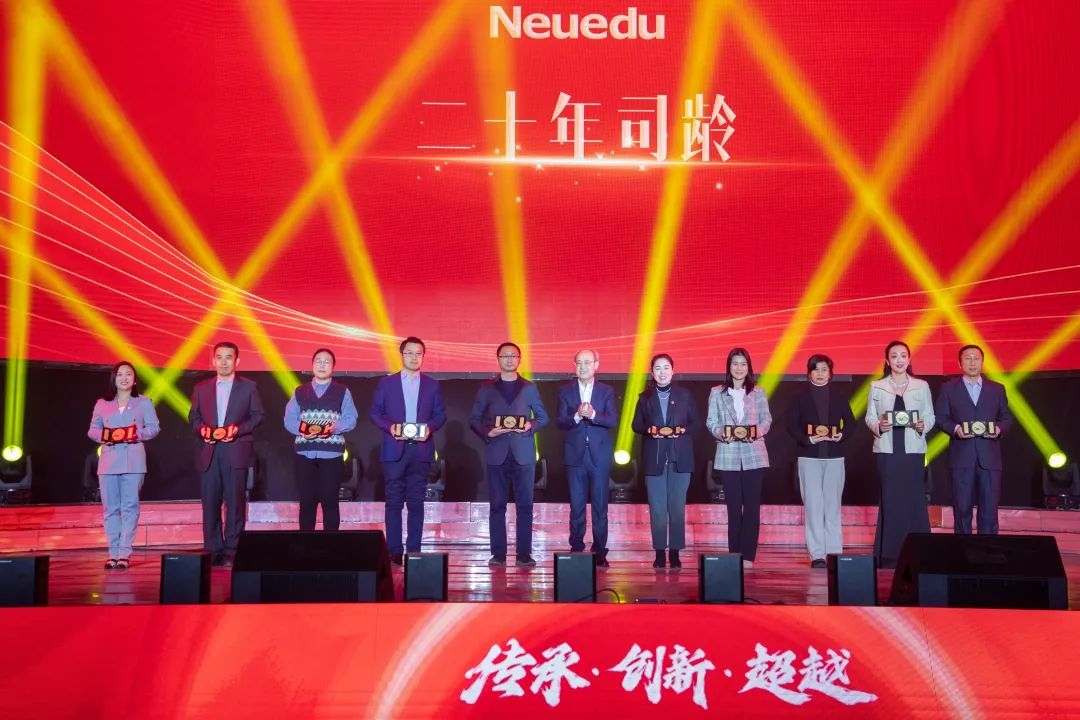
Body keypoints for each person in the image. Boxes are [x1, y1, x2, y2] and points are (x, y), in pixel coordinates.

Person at [469, 342, 549, 567]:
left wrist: (530, 426)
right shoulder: (487, 388)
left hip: (523, 454)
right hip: (497, 452)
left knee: (525, 506)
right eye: (505, 356)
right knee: (497, 506)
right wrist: (489, 432)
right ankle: (498, 554)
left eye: (513, 356)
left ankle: (524, 554)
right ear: (498, 359)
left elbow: (543, 417)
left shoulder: (529, 388)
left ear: (519, 359)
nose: (509, 359)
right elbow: (474, 419)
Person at [370, 337, 447, 564]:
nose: (414, 357)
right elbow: (375, 413)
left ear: (423, 356)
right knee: (393, 502)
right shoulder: (387, 383)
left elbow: (440, 415)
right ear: (402, 355)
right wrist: (390, 427)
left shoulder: (432, 385)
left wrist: (429, 428)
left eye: (418, 353)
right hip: (394, 449)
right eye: (410, 353)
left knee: (416, 503)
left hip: (421, 450)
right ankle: (394, 551)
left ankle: (414, 551)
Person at [188, 341, 265, 567]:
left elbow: (257, 415)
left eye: (228, 357)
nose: (223, 362)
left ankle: (233, 551)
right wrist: (203, 430)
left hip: (236, 449)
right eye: (219, 357)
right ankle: (213, 551)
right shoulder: (201, 388)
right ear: (213, 361)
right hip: (210, 451)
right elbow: (194, 417)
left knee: (235, 504)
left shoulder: (249, 387)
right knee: (210, 504)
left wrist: (236, 430)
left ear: (237, 361)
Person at [864, 340, 935, 569]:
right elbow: (870, 416)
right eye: (894, 356)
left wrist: (923, 425)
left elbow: (930, 415)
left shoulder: (921, 385)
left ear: (909, 359)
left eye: (903, 355)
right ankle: (889, 555)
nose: (899, 360)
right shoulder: (877, 386)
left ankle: (919, 553)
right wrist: (878, 426)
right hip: (887, 450)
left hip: (913, 451)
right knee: (891, 500)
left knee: (914, 500)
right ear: (887, 361)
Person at [784, 354, 856, 568]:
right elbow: (791, 424)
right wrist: (807, 439)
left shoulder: (839, 397)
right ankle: (817, 555)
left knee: (832, 507)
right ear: (809, 373)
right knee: (813, 506)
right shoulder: (799, 397)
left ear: (831, 374)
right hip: (809, 457)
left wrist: (841, 435)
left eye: (824, 369)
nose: (820, 373)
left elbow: (851, 423)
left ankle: (834, 552)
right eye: (816, 369)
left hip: (835, 457)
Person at [88, 361, 161, 569]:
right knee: (110, 509)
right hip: (108, 462)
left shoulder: (144, 402)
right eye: (120, 374)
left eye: (129, 374)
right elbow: (92, 430)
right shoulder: (102, 403)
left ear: (134, 379)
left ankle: (124, 554)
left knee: (130, 507)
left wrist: (136, 434)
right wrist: (107, 436)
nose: (124, 378)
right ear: (114, 378)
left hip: (133, 462)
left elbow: (154, 428)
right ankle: (112, 553)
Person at [935, 344, 1014, 535]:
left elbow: (1007, 418)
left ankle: (987, 549)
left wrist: (998, 429)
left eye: (976, 358)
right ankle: (962, 549)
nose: (972, 362)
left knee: (989, 510)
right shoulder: (948, 388)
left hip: (990, 458)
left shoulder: (997, 389)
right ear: (960, 363)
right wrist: (956, 429)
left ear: (982, 362)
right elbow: (941, 418)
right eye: (968, 358)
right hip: (962, 457)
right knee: (962, 508)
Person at [631, 353, 700, 569]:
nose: (662, 372)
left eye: (666, 367)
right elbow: (636, 425)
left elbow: (696, 423)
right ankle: (660, 553)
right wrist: (650, 430)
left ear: (673, 370)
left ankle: (676, 552)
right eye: (658, 368)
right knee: (658, 509)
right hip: (655, 459)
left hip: (680, 459)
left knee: (677, 508)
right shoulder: (645, 397)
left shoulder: (684, 395)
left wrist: (682, 430)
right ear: (652, 372)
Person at [706, 347, 772, 568]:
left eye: (743, 364)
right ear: (729, 366)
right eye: (735, 363)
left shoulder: (759, 392)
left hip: (754, 454)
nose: (739, 368)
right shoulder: (717, 392)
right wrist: (720, 433)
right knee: (733, 508)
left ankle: (749, 556)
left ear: (749, 367)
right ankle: (735, 554)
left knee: (752, 507)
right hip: (728, 454)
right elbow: (711, 422)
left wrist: (754, 432)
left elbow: (766, 420)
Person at [284, 348, 358, 532]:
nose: (322, 365)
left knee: (330, 501)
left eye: (327, 361)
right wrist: (303, 430)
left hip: (331, 455)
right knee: (306, 502)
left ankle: (330, 545)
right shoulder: (300, 391)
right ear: (312, 365)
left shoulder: (342, 391)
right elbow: (289, 419)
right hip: (304, 453)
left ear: (333, 366)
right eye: (318, 361)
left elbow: (351, 418)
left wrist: (334, 428)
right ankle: (306, 545)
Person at [556, 349, 617, 567]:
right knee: (577, 505)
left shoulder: (606, 391)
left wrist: (593, 415)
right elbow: (560, 422)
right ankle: (576, 548)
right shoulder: (565, 391)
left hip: (599, 456)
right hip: (575, 455)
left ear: (596, 365)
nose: (583, 366)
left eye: (587, 362)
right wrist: (576, 416)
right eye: (579, 362)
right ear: (574, 365)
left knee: (600, 506)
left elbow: (612, 420)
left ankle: (600, 551)